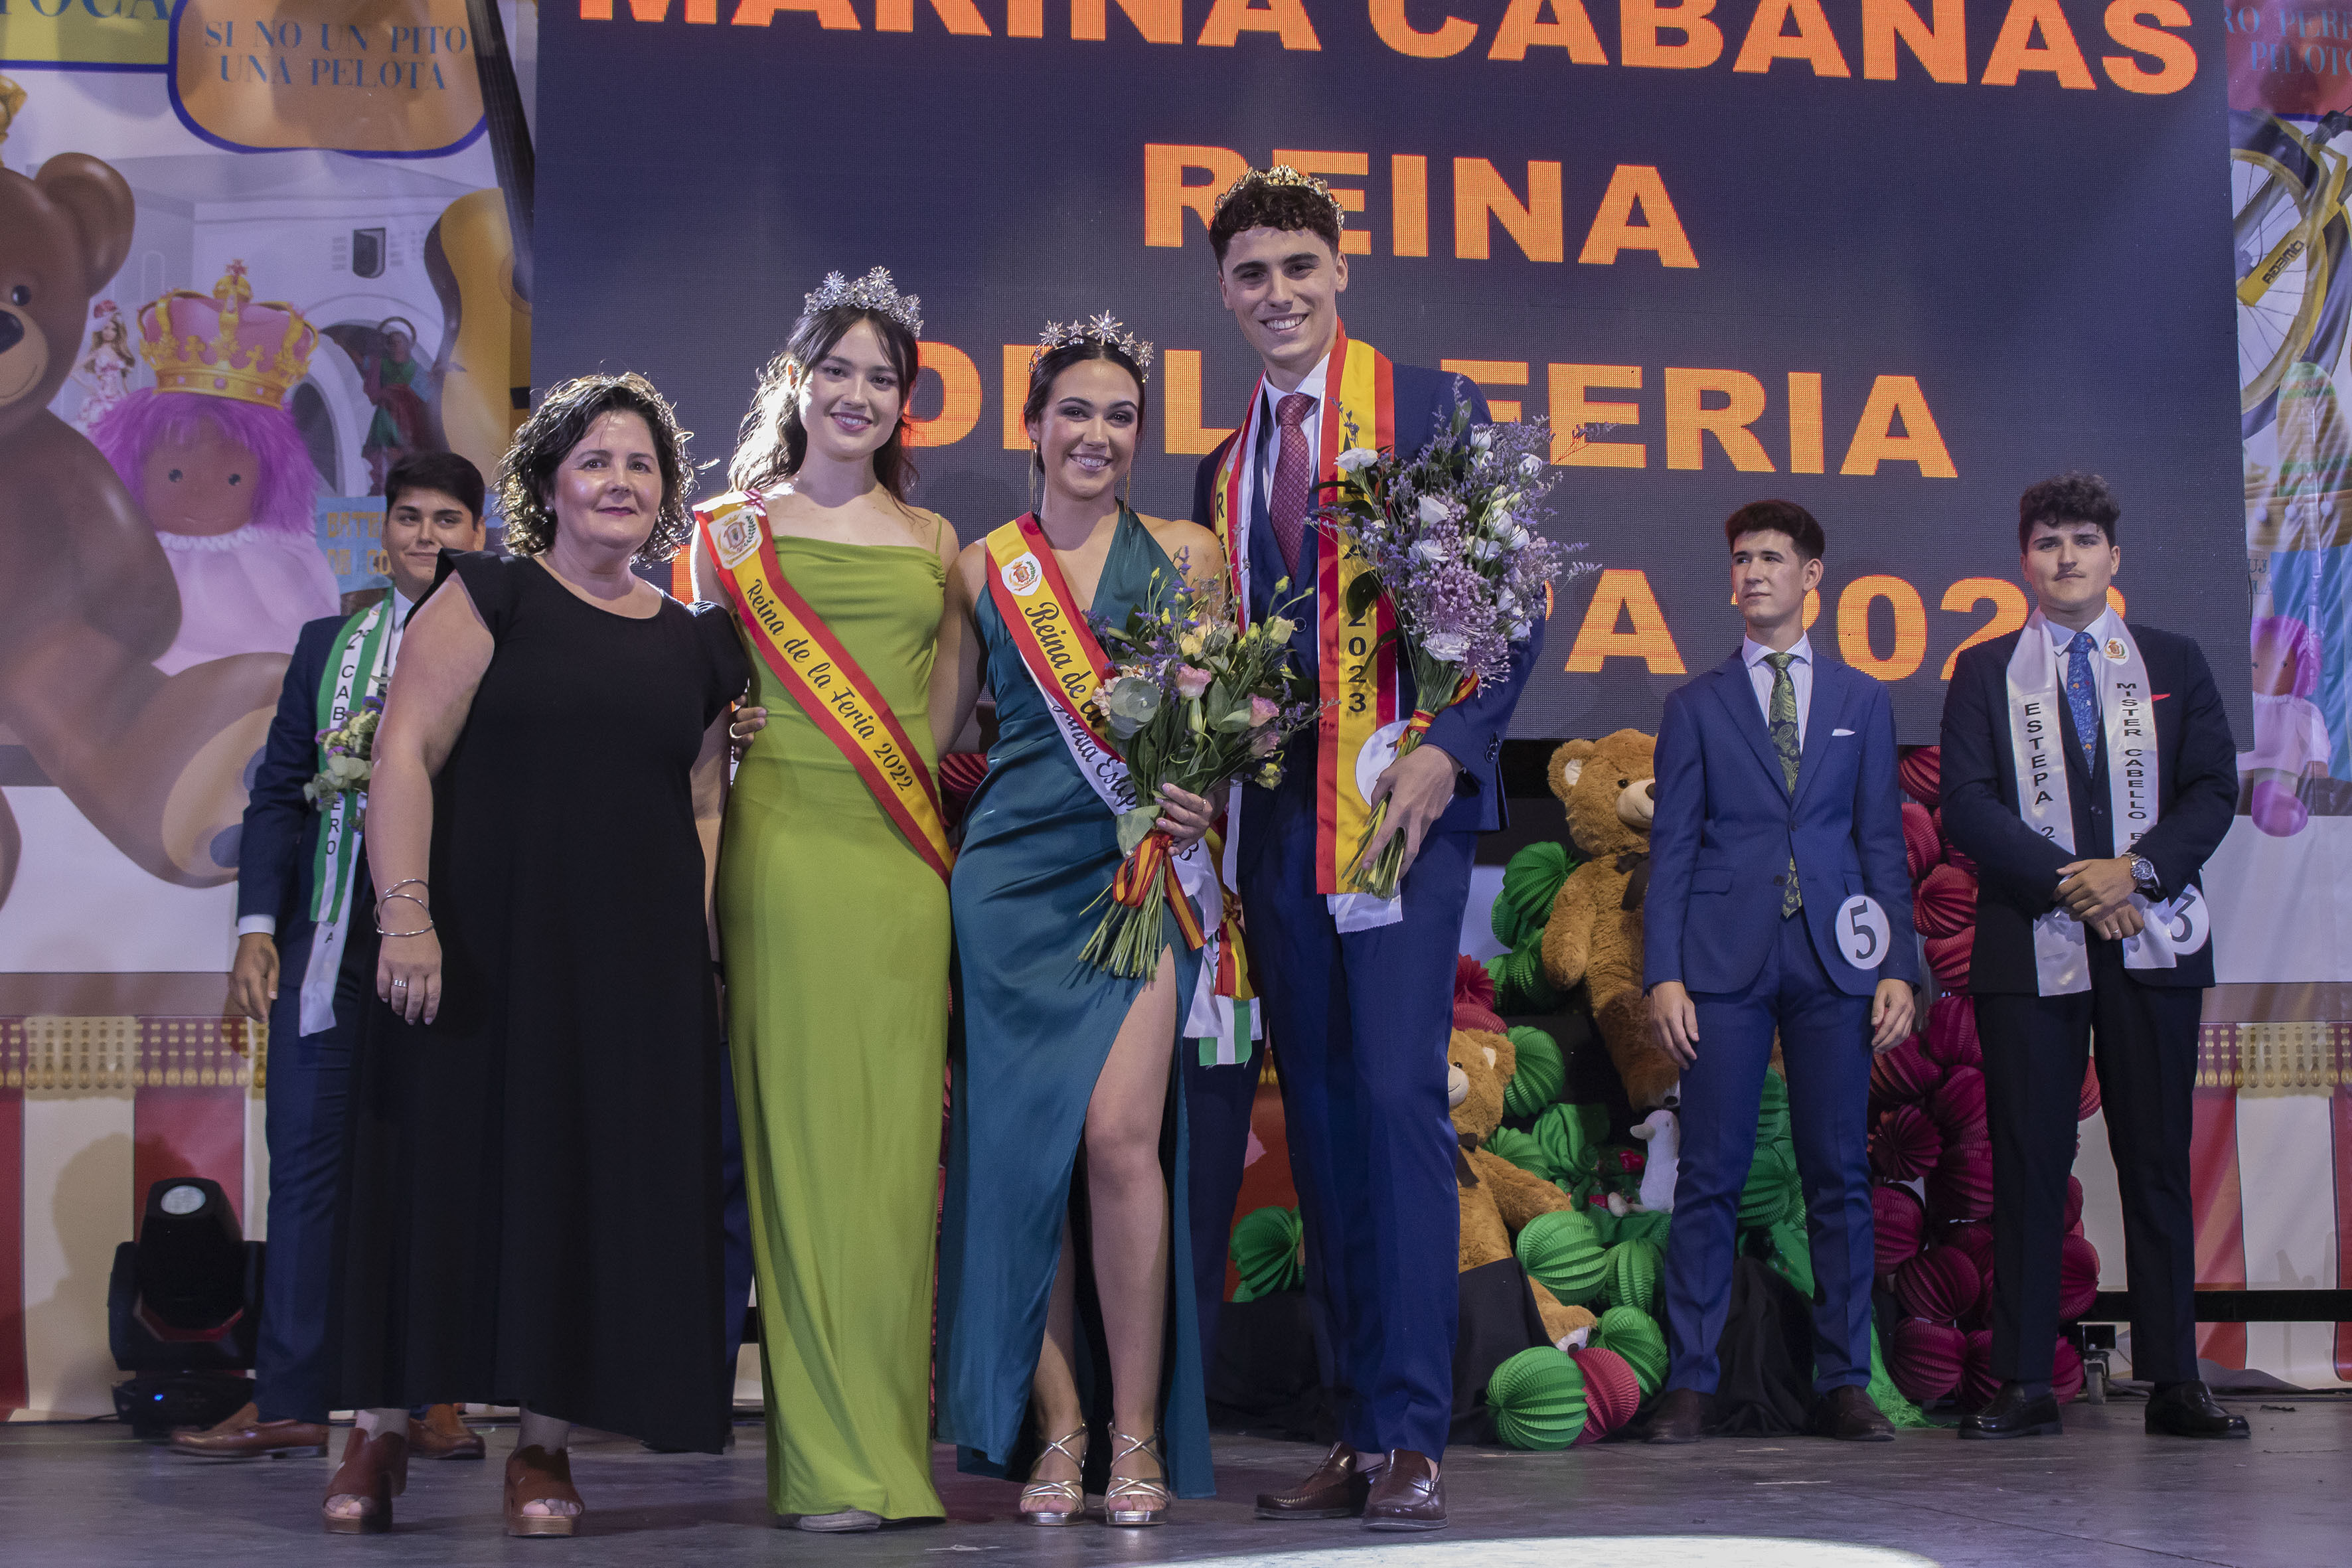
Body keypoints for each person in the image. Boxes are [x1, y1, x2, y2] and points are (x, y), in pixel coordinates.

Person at [1186, 167, 1541, 1531]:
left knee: (1394, 1103)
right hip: (1282, 830)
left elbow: (1513, 600)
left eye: (1298, 266)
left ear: (1342, 271)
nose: (1277, 293)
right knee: (1324, 1118)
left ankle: (1413, 1430)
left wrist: (1455, 744)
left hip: (1401, 810)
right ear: (1224, 294)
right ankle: (1352, 1422)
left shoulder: (1426, 406)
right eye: (1251, 274)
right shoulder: (1225, 465)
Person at [331, 372, 747, 1535]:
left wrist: (701, 962)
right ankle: (377, 1428)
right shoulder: (489, 595)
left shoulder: (699, 643)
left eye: (641, 463)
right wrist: (406, 916)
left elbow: (704, 806)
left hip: (624, 973)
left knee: (577, 1192)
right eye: (595, 460)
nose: (620, 480)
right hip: (467, 949)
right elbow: (404, 754)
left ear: (666, 491)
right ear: (549, 484)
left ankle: (543, 1447)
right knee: (431, 1179)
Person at [932, 318, 1222, 1528]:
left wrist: (1206, 785)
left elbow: (1217, 719)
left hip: (1133, 872)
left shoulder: (1191, 554)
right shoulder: (980, 567)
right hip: (1009, 885)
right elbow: (937, 735)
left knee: (1116, 1140)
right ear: (1033, 425)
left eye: (1120, 415)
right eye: (1075, 412)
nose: (1096, 434)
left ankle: (1137, 1426)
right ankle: (1060, 1425)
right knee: (1023, 1161)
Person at [690, 269, 958, 1532]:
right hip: (782, 853)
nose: (859, 394)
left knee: (896, 1162)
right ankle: (823, 1466)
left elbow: (942, 716)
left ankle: (891, 1453)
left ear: (905, 401)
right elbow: (695, 721)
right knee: (796, 1152)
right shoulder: (728, 532)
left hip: (898, 862)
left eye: (882, 377)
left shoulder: (938, 543)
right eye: (838, 371)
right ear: (797, 383)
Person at [170, 453, 491, 1466]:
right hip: (327, 935)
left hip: (450, 938)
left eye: (448, 519)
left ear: (479, 536)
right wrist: (258, 925)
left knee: (438, 1163)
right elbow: (278, 790)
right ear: (382, 530)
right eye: (410, 516)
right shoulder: (327, 644)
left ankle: (434, 1395)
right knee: (305, 1160)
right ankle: (292, 1395)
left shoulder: (502, 644)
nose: (427, 535)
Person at [1939, 473, 2244, 1441]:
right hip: (2030, 941)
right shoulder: (1985, 670)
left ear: (2115, 556)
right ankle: (2026, 1380)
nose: (2065, 557)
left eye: (2082, 541)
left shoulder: (2173, 660)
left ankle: (2176, 1380)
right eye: (2047, 542)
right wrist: (2078, 882)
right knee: (2031, 1159)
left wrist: (2135, 874)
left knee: (2156, 1158)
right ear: (2023, 561)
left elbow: (2212, 787)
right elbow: (1968, 804)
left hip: (2154, 940)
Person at [1634, 500, 1919, 1445]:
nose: (1753, 572)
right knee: (1710, 1172)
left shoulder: (1862, 700)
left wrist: (1900, 964)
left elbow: (1881, 844)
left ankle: (1844, 1381)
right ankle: (1692, 1383)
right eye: (1742, 558)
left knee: (1838, 1172)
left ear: (1811, 575)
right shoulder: (1695, 705)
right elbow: (1673, 849)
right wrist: (1664, 973)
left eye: (1771, 557)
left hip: (1837, 959)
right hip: (1722, 960)